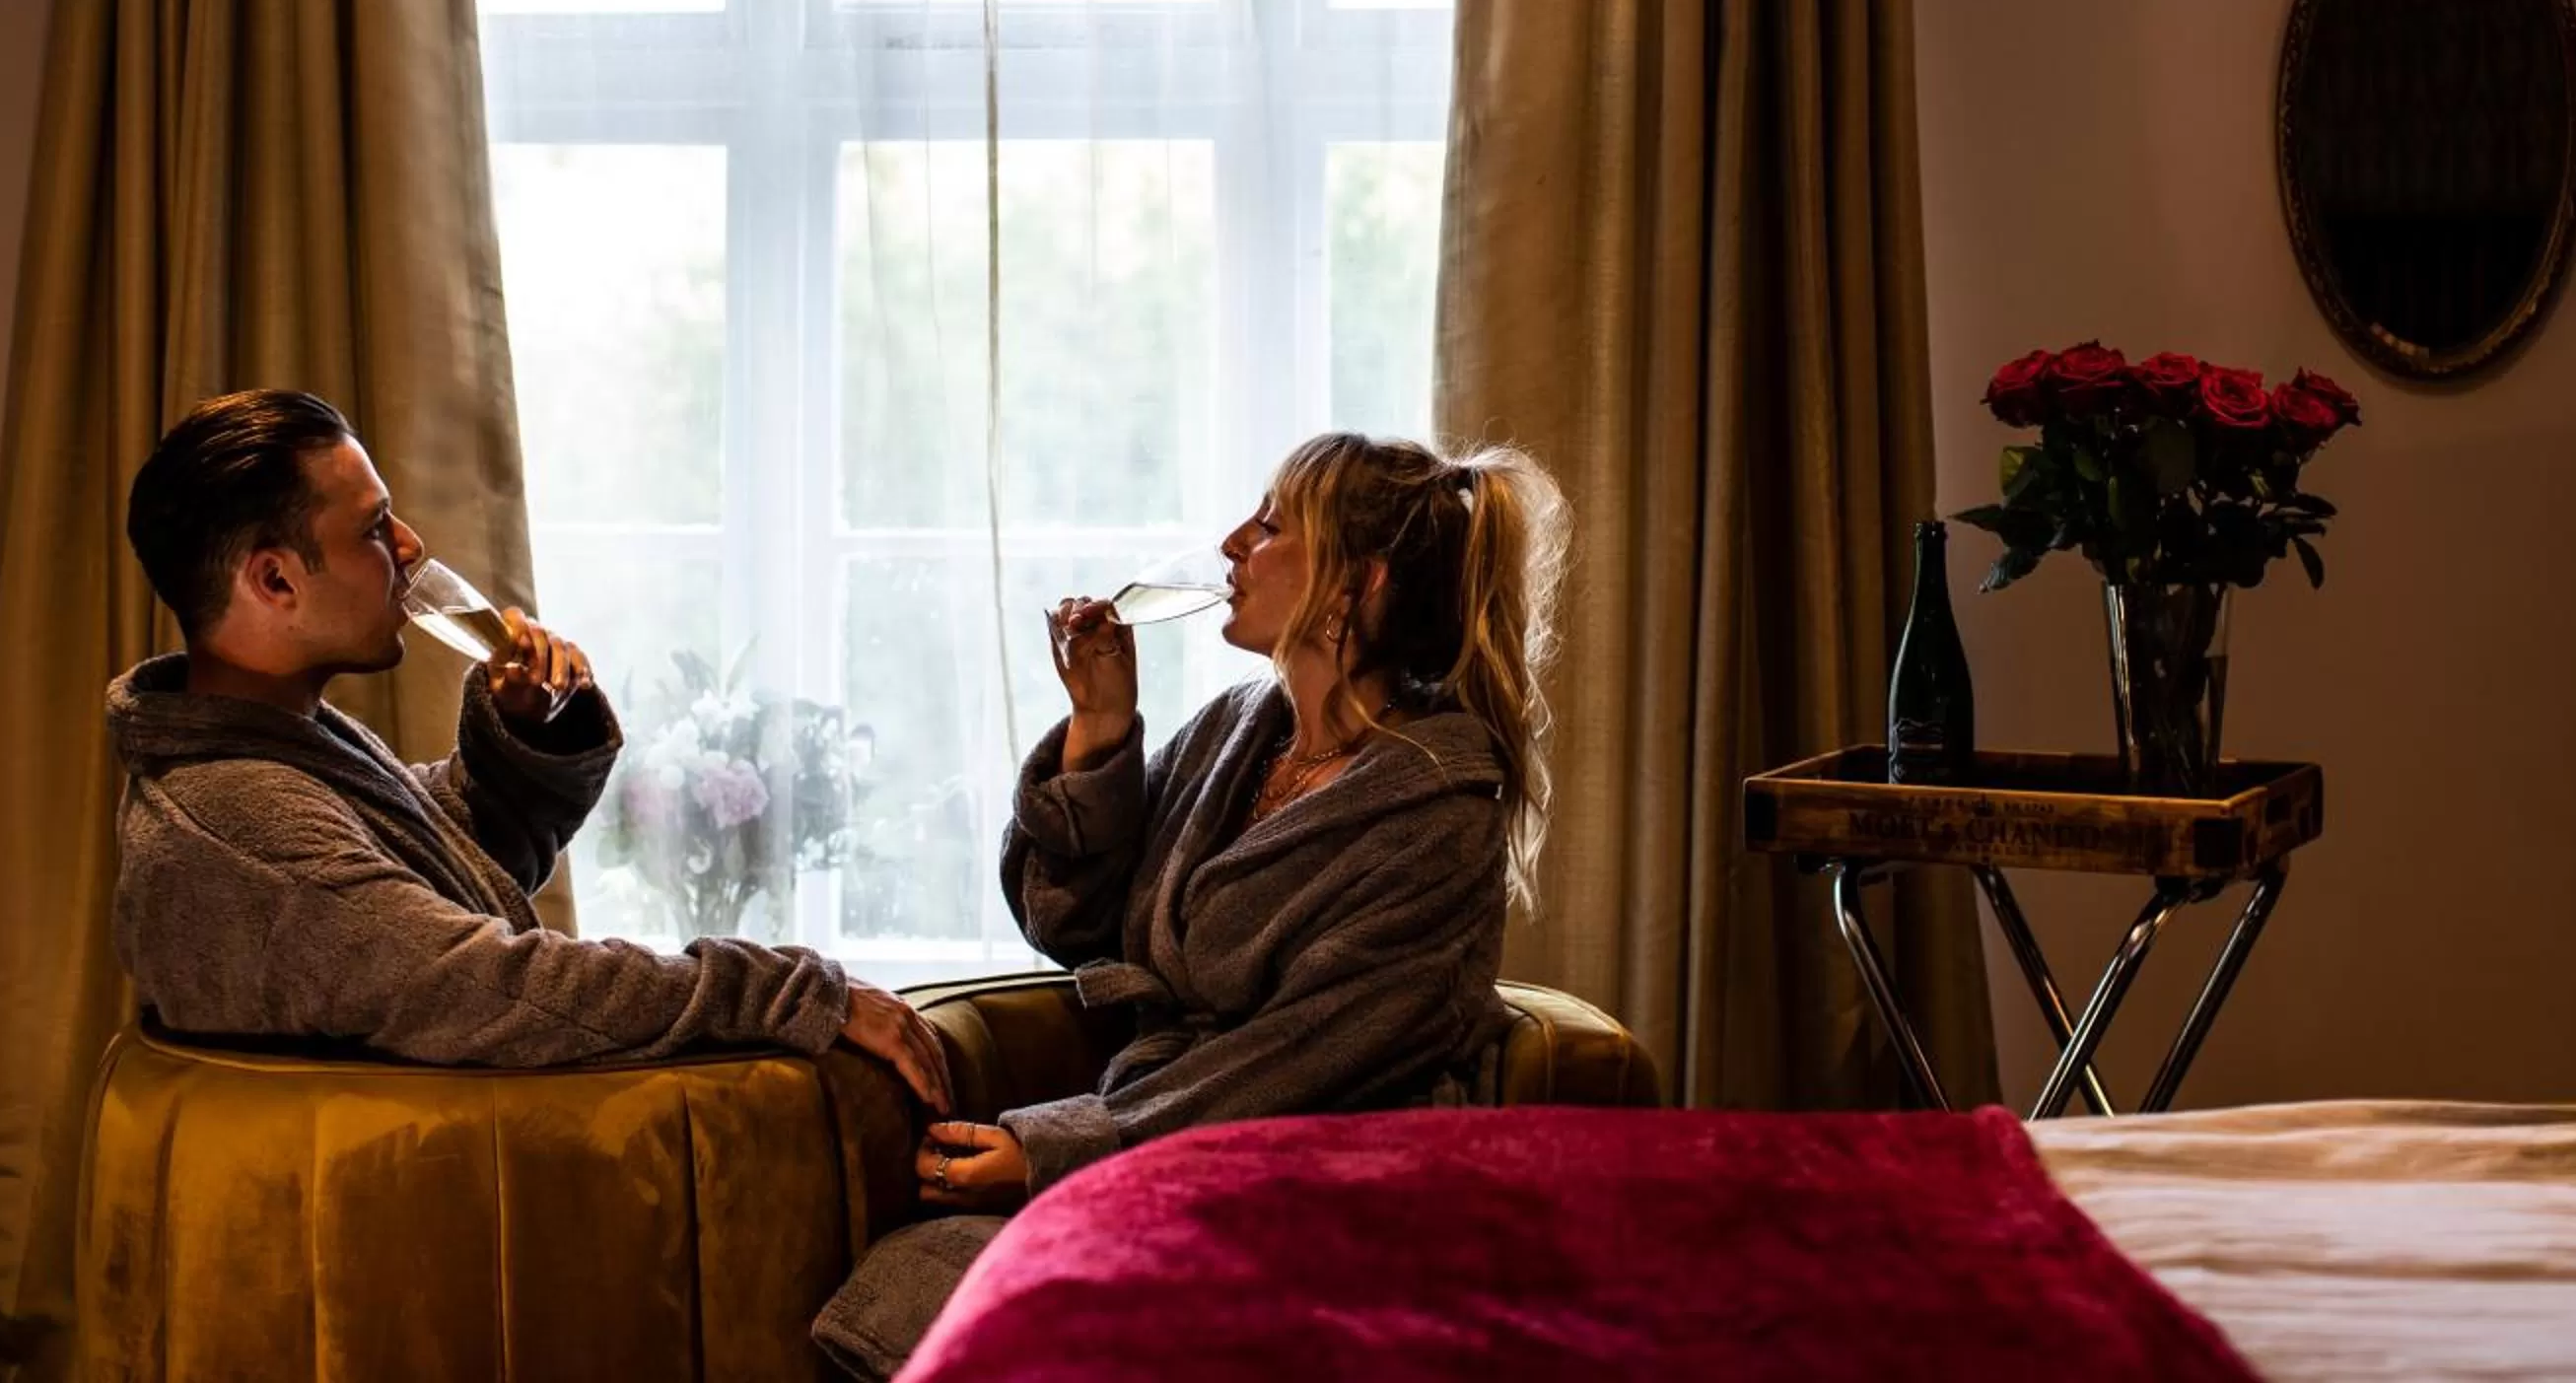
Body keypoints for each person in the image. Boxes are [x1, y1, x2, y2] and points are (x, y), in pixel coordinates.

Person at [814, 432, 1568, 1377]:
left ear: (1355, 586)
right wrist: (1101, 727)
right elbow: (1073, 926)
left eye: (1271, 524)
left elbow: (1301, 1064)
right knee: (933, 1280)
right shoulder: (1237, 734)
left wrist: (1065, 1148)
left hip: (1324, 1186)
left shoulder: (1437, 813)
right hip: (1173, 1140)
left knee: (1011, 1300)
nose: (1230, 543)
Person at [106, 388, 949, 1107]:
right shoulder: (239, 822)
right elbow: (497, 986)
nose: (410, 547)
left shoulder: (275, 748)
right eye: (373, 529)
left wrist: (523, 734)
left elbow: (426, 874)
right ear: (276, 580)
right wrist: (797, 993)